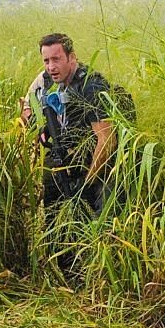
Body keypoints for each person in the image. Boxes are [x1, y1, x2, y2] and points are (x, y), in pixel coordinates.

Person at [26, 33, 116, 276]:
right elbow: (27, 106)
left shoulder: (91, 86)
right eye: (46, 61)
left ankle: (96, 278)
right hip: (62, 161)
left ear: (72, 57)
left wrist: (87, 183)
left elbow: (106, 140)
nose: (51, 66)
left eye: (56, 59)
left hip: (94, 167)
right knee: (56, 221)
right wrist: (41, 127)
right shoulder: (46, 80)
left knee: (96, 225)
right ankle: (65, 276)